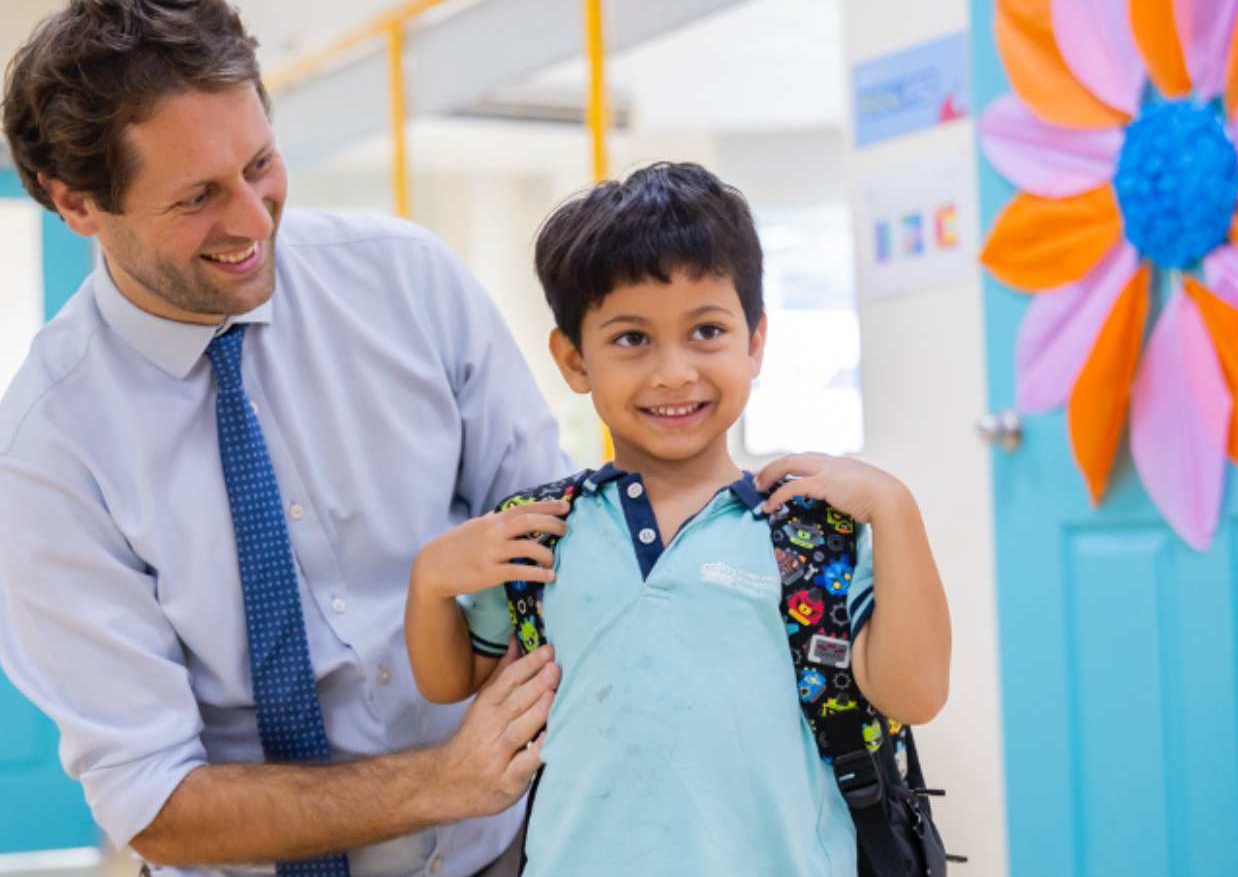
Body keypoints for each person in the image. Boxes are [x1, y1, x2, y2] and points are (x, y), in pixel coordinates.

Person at [0, 0, 571, 877]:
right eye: (198, 197)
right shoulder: (51, 447)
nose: (254, 219)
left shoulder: (407, 284)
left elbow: (560, 547)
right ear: (78, 204)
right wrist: (443, 781)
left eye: (260, 164)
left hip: (507, 853)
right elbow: (156, 802)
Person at [405, 162, 952, 876]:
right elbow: (454, 680)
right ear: (574, 359)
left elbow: (916, 694)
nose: (673, 373)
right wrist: (429, 582)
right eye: (632, 339)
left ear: (755, 341)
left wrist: (896, 509)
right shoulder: (542, 530)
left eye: (707, 331)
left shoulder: (811, 531)